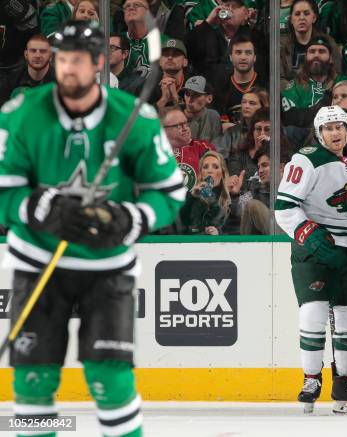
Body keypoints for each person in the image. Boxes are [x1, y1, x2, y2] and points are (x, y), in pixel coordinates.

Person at [0, 20, 185, 436]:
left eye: (78, 61)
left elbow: (168, 192)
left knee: (112, 382)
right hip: (38, 261)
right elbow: (4, 190)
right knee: (33, 382)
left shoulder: (133, 119)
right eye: (62, 59)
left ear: (99, 63)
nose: (67, 68)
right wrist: (41, 207)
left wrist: (129, 219)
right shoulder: (23, 114)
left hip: (107, 268)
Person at [275, 105, 347, 414]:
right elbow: (284, 208)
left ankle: (344, 381)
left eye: (340, 126)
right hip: (315, 247)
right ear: (319, 133)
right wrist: (312, 236)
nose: (335, 132)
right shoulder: (305, 161)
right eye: (328, 127)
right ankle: (311, 378)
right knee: (313, 313)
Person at [281, 35, 347, 128]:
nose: (316, 55)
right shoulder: (294, 86)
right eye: (312, 51)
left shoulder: (345, 83)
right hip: (305, 138)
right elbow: (292, 119)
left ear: (331, 59)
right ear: (305, 58)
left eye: (322, 51)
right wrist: (326, 101)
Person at [280, 0, 342, 90]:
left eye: (306, 13)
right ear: (291, 20)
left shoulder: (328, 42)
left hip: (323, 95)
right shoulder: (282, 46)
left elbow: (337, 74)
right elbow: (279, 79)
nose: (302, 18)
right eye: (297, 14)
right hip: (293, 96)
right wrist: (298, 92)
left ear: (314, 18)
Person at [212, 32, 266, 125]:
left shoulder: (266, 86)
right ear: (230, 57)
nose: (243, 57)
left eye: (248, 53)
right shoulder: (221, 89)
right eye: (238, 52)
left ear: (255, 58)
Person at [162, 105, 216, 192]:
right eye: (179, 126)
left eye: (186, 123)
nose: (185, 128)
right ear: (163, 129)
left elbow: (215, 183)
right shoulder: (152, 154)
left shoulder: (203, 148)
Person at [180, 151, 232, 235]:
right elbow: (183, 225)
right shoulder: (193, 196)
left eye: (215, 167)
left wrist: (218, 232)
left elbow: (235, 230)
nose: (210, 171)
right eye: (205, 167)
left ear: (222, 173)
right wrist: (191, 198)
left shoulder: (229, 198)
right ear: (201, 173)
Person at [211, 86, 270, 158]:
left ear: (263, 106)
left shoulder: (273, 130)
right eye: (244, 102)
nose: (246, 106)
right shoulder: (233, 132)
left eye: (252, 103)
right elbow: (215, 153)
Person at [0, 34, 55, 106]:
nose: (37, 55)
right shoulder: (11, 80)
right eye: (33, 51)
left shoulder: (60, 81)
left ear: (50, 56)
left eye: (43, 51)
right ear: (26, 54)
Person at [182, 75, 222, 143]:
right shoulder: (174, 116)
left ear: (209, 99)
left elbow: (216, 148)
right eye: (187, 94)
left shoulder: (212, 116)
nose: (190, 99)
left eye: (196, 95)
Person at [155, 38, 188, 110]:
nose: (170, 57)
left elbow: (191, 115)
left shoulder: (192, 84)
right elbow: (143, 117)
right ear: (160, 61)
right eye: (165, 54)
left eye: (176, 54)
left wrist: (176, 97)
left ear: (185, 62)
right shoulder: (148, 85)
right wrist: (164, 99)